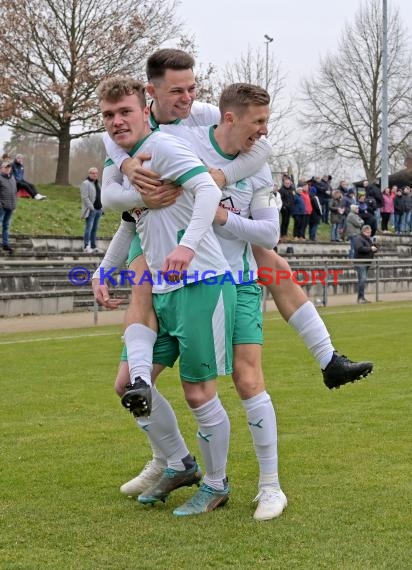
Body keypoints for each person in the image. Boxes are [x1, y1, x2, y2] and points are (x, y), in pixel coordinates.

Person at [102, 48, 374, 393]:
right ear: (150, 94)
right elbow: (108, 193)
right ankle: (142, 383)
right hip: (154, 225)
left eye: (192, 88)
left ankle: (329, 358)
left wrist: (222, 177)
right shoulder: (130, 126)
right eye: (177, 91)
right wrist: (136, 186)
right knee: (141, 286)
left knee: (272, 262)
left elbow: (261, 147)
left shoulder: (199, 116)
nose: (187, 98)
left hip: (197, 223)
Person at [96, 81, 288, 520]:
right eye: (109, 116)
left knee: (202, 391)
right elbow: (131, 219)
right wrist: (104, 270)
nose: (117, 121)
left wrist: (187, 245)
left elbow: (205, 190)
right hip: (164, 288)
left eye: (124, 112)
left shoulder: (165, 148)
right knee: (129, 383)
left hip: (203, 281)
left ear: (145, 109)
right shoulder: (129, 162)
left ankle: (220, 486)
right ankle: (181, 464)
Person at [80, 167, 103, 253]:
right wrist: (92, 208)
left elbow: (100, 196)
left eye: (96, 173)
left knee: (95, 229)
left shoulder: (98, 184)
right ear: (89, 174)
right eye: (93, 173)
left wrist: (101, 208)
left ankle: (93, 246)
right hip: (91, 210)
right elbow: (85, 197)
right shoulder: (85, 183)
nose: (95, 175)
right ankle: (86, 246)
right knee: (88, 228)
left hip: (99, 210)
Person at [353, 225, 377, 304]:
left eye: (370, 232)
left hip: (366, 262)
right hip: (361, 262)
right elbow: (359, 248)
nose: (369, 233)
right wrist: (370, 248)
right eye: (368, 232)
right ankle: (360, 298)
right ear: (363, 231)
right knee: (362, 280)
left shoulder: (368, 239)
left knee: (363, 280)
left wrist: (374, 248)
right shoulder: (358, 238)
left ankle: (361, 297)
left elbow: (370, 248)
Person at [0, 159, 17, 254]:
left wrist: (14, 204)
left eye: (9, 167)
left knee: (6, 226)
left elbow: (14, 192)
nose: (8, 169)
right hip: (1, 207)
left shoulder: (12, 178)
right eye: (5, 167)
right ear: (1, 168)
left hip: (10, 206)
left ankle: (5, 244)